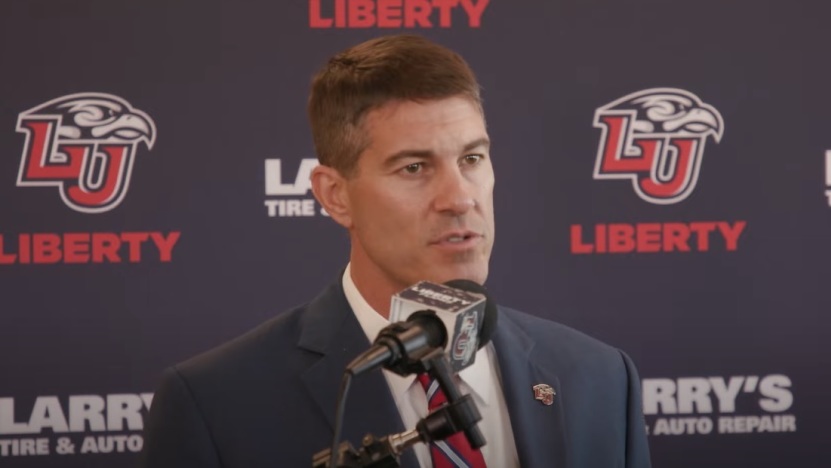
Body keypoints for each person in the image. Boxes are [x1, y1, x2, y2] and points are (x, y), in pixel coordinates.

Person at [140, 35, 652, 468]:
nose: (460, 198)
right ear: (334, 195)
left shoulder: (601, 378)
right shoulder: (215, 403)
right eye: (414, 167)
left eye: (472, 158)